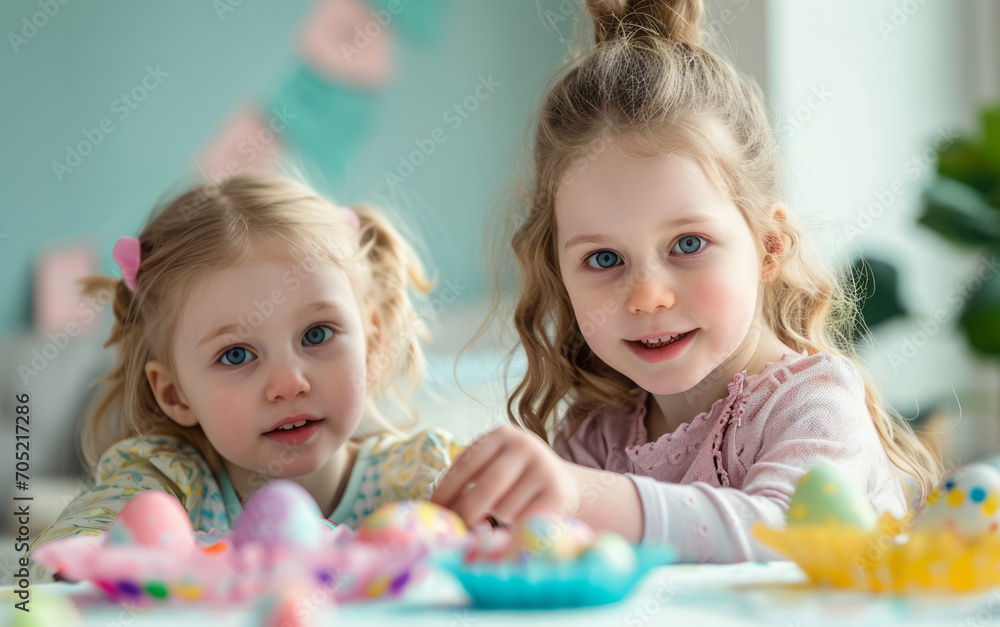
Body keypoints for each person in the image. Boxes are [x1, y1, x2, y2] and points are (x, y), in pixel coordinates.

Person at [431, 0, 942, 562]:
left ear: (769, 247)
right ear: (560, 273)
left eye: (688, 245)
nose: (649, 296)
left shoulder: (813, 402)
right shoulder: (599, 439)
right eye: (604, 259)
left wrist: (585, 496)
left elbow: (795, 539)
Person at [29, 173, 461, 579]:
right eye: (236, 355)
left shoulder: (425, 479)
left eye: (317, 334)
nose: (290, 383)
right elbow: (62, 564)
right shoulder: (165, 486)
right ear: (175, 394)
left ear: (372, 342)